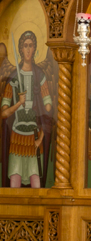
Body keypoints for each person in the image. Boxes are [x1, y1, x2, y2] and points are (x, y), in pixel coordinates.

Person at [0, 31, 54, 188]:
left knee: (35, 179)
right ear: (20, 50)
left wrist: (41, 136)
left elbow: (49, 109)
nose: (28, 49)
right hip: (17, 135)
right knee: (15, 179)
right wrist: (18, 104)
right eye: (25, 46)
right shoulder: (13, 78)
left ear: (35, 48)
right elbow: (3, 113)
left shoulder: (40, 76)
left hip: (35, 137)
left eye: (31, 46)